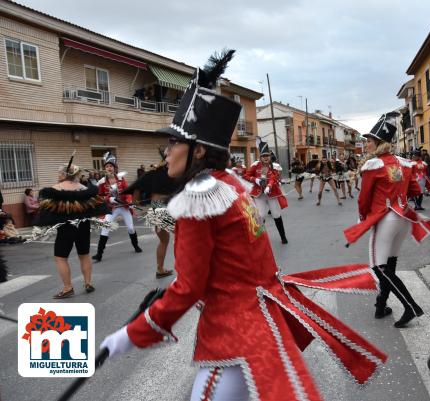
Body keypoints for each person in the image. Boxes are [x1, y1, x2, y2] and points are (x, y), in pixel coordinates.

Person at [99, 51, 386, 401]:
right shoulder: (231, 185)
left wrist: (132, 334)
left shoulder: (198, 199)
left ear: (199, 151)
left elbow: (189, 286)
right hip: (259, 319)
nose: (166, 152)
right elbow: (234, 262)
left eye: (173, 143)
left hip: (233, 332)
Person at [344, 113, 430, 328]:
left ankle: (409, 305)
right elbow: (415, 190)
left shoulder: (374, 165)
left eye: (369, 141)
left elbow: (364, 198)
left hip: (385, 219)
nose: (366, 144)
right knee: (389, 265)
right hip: (402, 218)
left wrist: (363, 218)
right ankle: (381, 305)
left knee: (379, 268)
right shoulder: (405, 164)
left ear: (379, 143)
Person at [33, 160, 108, 298]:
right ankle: (88, 283)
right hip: (83, 225)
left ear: (63, 174)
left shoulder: (56, 188)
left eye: (59, 173)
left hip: (66, 227)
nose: (58, 175)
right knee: (84, 255)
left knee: (60, 257)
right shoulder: (84, 188)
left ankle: (68, 288)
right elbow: (95, 205)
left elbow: (47, 209)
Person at [123, 159, 177, 279]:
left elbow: (138, 186)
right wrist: (135, 202)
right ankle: (182, 270)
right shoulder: (174, 172)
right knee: (179, 238)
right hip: (165, 207)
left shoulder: (154, 172)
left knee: (164, 240)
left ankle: (160, 269)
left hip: (156, 207)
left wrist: (135, 202)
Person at [92, 152, 143, 262]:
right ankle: (99, 254)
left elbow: (128, 192)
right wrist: (109, 199)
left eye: (111, 166)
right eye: (107, 166)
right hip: (112, 208)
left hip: (123, 207)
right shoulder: (102, 182)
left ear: (114, 168)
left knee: (130, 228)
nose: (109, 168)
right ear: (105, 168)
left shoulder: (121, 179)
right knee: (105, 228)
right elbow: (99, 196)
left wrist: (129, 201)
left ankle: (136, 246)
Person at [243, 140, 289, 244]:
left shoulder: (274, 166)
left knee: (276, 214)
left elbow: (273, 177)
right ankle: (260, 238)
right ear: (260, 157)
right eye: (264, 156)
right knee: (261, 215)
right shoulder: (255, 165)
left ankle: (283, 237)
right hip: (259, 195)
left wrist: (269, 186)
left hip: (271, 193)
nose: (266, 158)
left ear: (270, 156)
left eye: (267, 155)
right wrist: (255, 180)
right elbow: (246, 175)